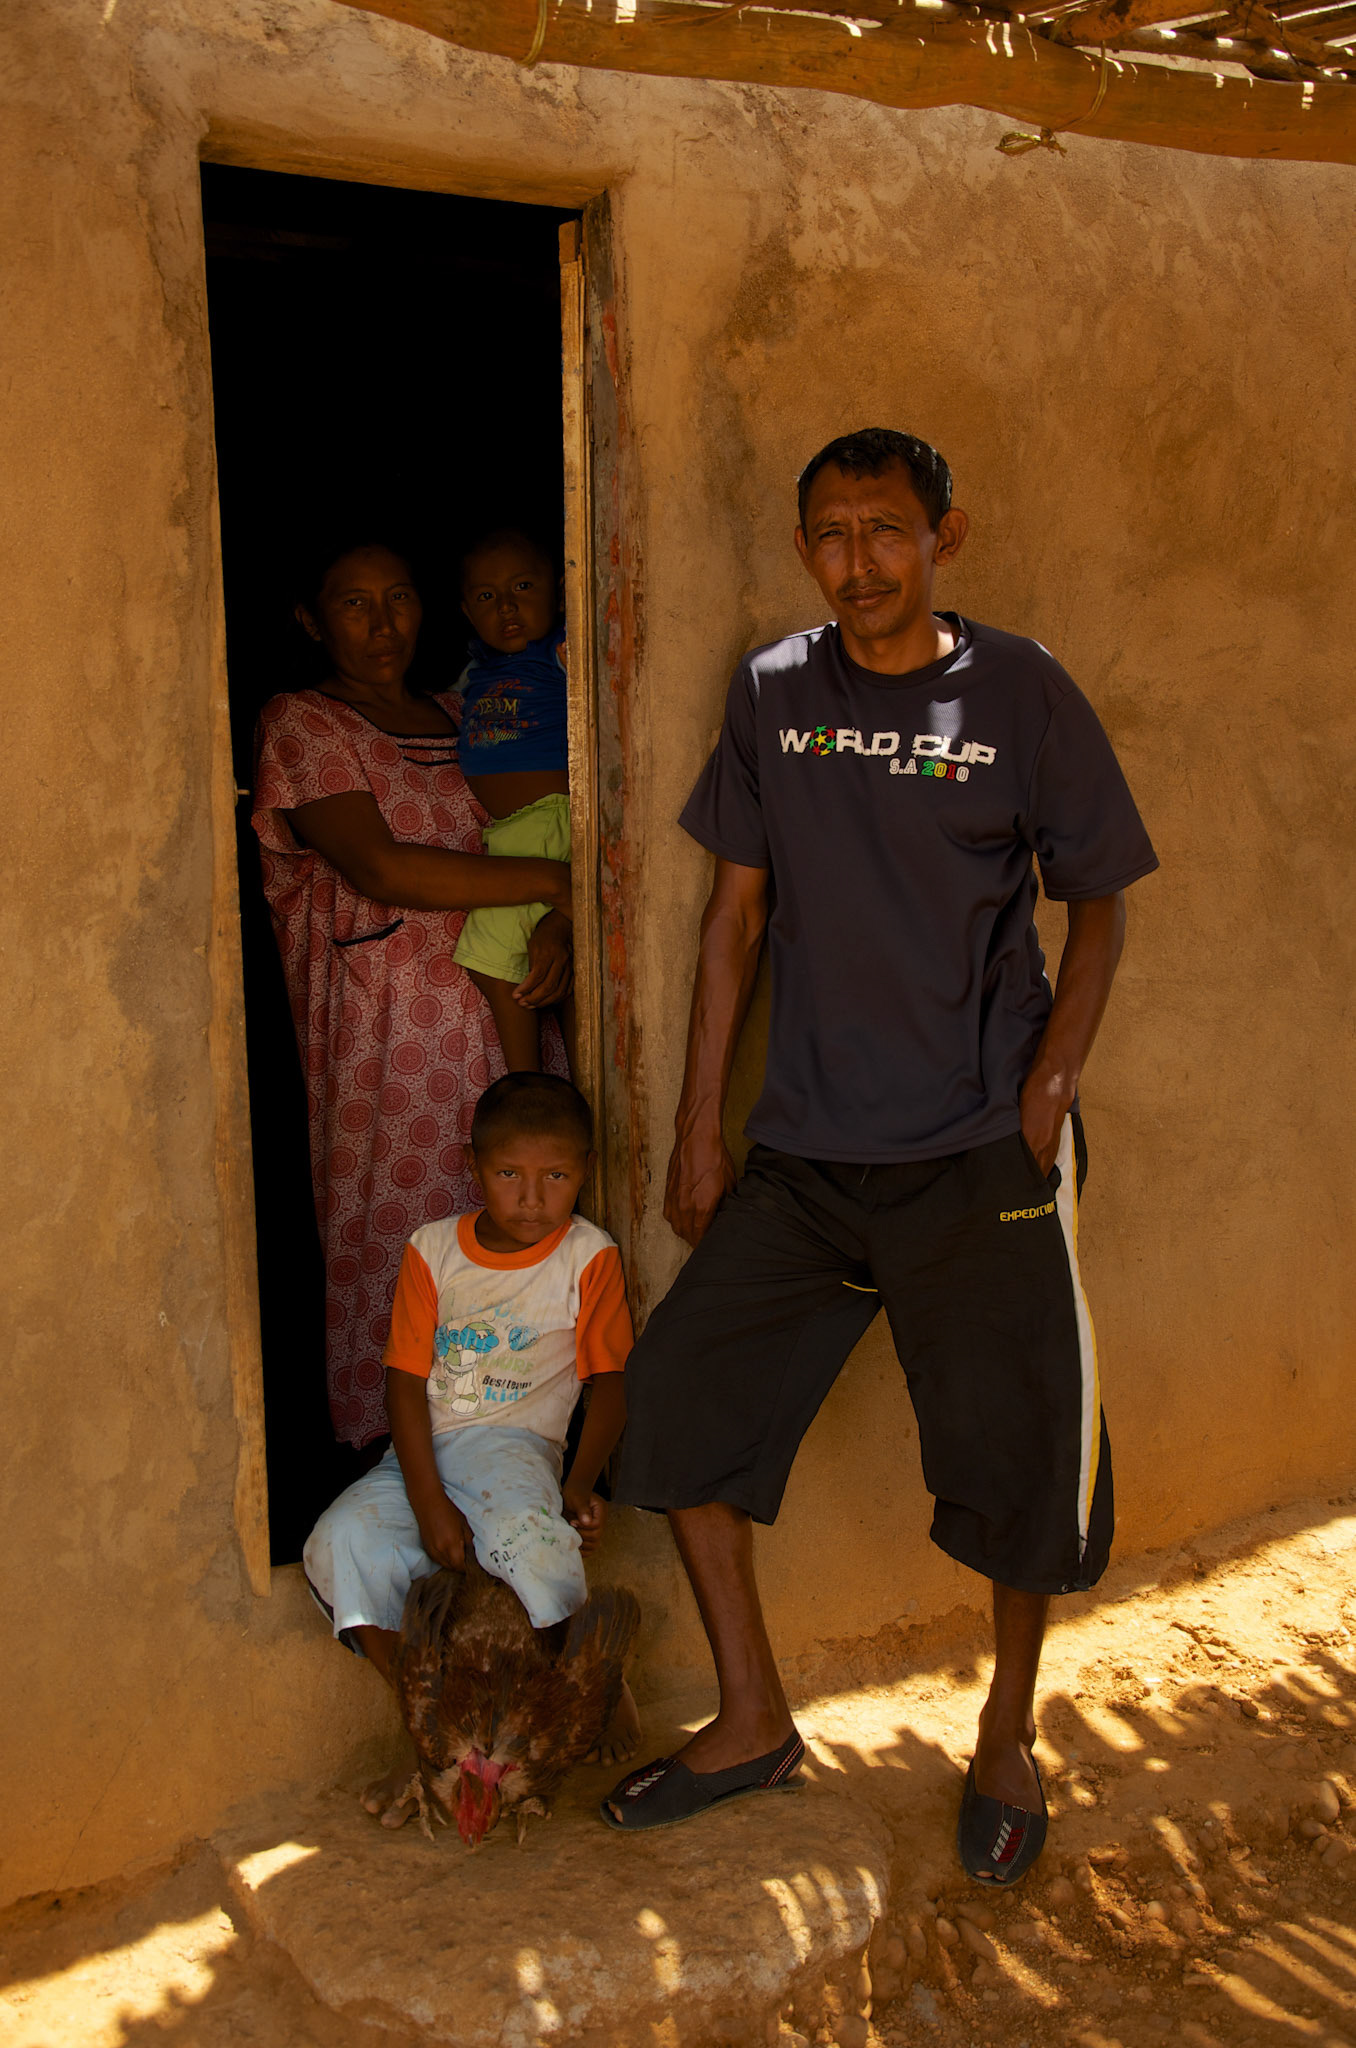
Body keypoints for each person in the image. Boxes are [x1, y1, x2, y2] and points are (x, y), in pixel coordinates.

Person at [604, 429, 1158, 1883]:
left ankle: (1006, 1736)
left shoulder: (1022, 690)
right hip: (804, 1150)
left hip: (982, 1150)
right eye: (832, 535)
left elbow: (1098, 902)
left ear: (943, 538)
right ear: (807, 553)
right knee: (669, 1405)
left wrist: (1052, 1078)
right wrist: (696, 1129)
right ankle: (754, 1719)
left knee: (1023, 1457)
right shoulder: (777, 694)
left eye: (887, 530)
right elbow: (733, 920)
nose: (860, 561)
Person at [252, 541, 573, 1450]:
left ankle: (522, 1457)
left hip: (507, 1022)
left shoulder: (463, 709)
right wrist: (559, 882)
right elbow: (382, 868)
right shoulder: (304, 724)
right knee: (402, 1241)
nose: (384, 622)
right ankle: (400, 1475)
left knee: (520, 1229)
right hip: (389, 1052)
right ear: (313, 621)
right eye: (354, 604)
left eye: (398, 598)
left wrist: (562, 920)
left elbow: (533, 820)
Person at [303, 1071, 636, 1821]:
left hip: (517, 1447)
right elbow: (403, 1386)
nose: (532, 1197)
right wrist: (425, 1502)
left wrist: (581, 1483)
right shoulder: (434, 1251)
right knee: (337, 1542)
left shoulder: (588, 1254)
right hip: (424, 1449)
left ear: (584, 1171)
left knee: (533, 1546)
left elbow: (610, 1385)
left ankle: (589, 1679)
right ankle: (430, 1730)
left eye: (557, 1176)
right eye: (509, 1175)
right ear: (474, 1168)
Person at [453, 529, 573, 1073]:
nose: (507, 606)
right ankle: (544, 1088)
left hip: (549, 820)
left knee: (493, 957)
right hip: (512, 833)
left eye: (524, 585)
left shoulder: (561, 651)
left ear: (560, 589)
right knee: (526, 961)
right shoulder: (478, 670)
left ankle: (530, 1087)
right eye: (485, 596)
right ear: (466, 610)